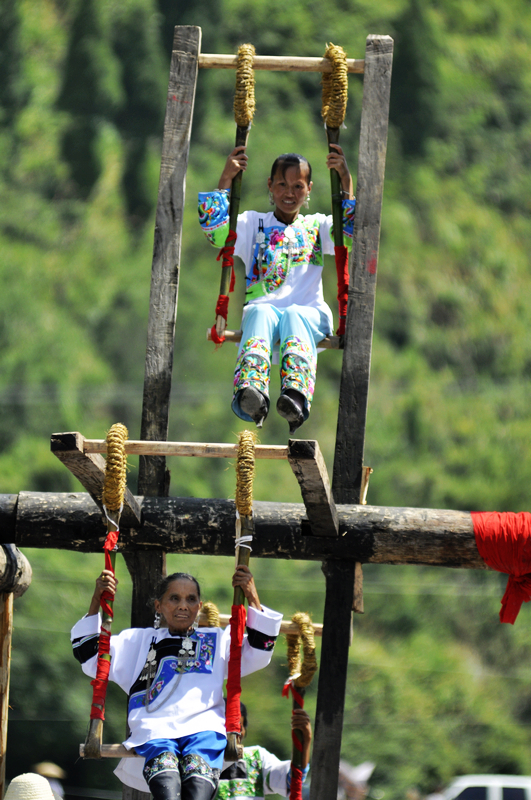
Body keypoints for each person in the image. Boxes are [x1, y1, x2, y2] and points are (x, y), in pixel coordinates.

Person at [71, 567, 282, 800]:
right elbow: (90, 657)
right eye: (175, 598)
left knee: (197, 790)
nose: (183, 605)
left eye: (191, 599)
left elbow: (260, 651)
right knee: (167, 788)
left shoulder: (218, 640)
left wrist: (252, 596)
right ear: (158, 606)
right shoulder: (136, 641)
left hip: (204, 730)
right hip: (155, 732)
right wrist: (96, 599)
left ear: (198, 607)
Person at [199, 144, 355, 434]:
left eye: (297, 186)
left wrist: (346, 180)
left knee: (295, 315)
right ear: (270, 186)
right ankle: (252, 394)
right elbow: (218, 234)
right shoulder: (251, 223)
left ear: (309, 189)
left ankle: (295, 396)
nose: (289, 192)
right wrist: (226, 178)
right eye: (282, 184)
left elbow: (349, 233)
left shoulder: (317, 227)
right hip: (265, 319)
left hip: (308, 316)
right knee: (258, 311)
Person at [215, 701, 312, 800]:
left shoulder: (256, 757)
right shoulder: (201, 759)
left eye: (239, 727)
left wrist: (305, 741)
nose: (233, 733)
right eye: (227, 727)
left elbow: (293, 780)